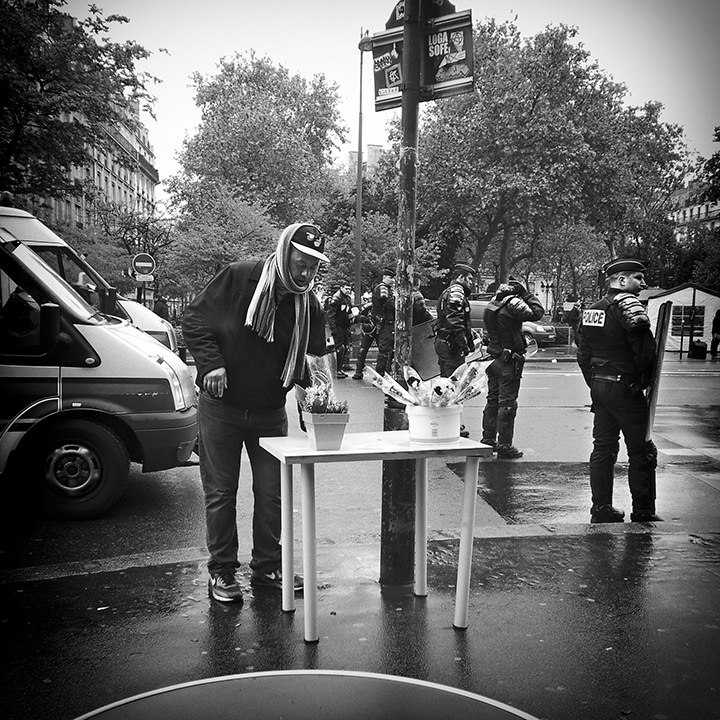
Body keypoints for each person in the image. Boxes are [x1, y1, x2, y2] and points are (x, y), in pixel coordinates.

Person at [182, 223, 329, 603]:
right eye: (302, 261)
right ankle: (222, 572)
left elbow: (314, 361)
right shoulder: (238, 277)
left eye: (314, 265)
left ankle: (266, 568)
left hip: (268, 410)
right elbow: (195, 319)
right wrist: (211, 363)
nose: (307, 271)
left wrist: (319, 404)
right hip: (222, 407)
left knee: (271, 494)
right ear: (284, 253)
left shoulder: (308, 303)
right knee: (220, 493)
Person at [577, 258, 660, 524]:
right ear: (622, 281)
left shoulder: (594, 309)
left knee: (603, 448)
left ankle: (601, 508)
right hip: (625, 386)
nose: (643, 283)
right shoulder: (629, 306)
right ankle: (643, 510)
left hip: (600, 385)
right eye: (638, 277)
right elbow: (646, 354)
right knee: (641, 450)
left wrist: (595, 382)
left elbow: (583, 354)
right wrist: (641, 383)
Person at [481, 278, 544, 458]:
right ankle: (504, 445)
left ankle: (488, 439)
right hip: (508, 360)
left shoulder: (492, 304)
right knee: (507, 404)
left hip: (493, 357)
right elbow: (537, 313)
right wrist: (526, 294)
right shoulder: (512, 303)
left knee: (492, 400)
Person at [434, 263, 476, 437]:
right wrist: (464, 345)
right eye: (470, 279)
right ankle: (452, 423)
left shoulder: (448, 292)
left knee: (446, 382)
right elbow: (455, 321)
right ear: (461, 278)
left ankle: (447, 421)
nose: (472, 283)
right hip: (451, 345)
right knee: (453, 385)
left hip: (444, 343)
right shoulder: (457, 292)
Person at [371, 267, 396, 376]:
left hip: (384, 323)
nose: (393, 280)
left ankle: (383, 374)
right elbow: (390, 305)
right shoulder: (383, 288)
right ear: (384, 277)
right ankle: (381, 375)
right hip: (385, 323)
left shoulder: (385, 288)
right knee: (385, 351)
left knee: (387, 351)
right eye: (391, 278)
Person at [326, 282, 354, 378]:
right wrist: (334, 329)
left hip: (344, 326)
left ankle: (339, 369)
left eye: (349, 289)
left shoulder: (347, 298)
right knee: (339, 348)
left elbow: (348, 312)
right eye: (346, 288)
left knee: (345, 348)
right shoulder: (336, 298)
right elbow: (331, 315)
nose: (348, 290)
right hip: (338, 326)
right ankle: (336, 370)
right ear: (341, 288)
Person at [352, 297, 377, 379]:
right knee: (363, 350)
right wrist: (365, 319)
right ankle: (358, 371)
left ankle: (359, 371)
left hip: (378, 329)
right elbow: (358, 316)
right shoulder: (368, 306)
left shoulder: (384, 305)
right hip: (370, 329)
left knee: (383, 351)